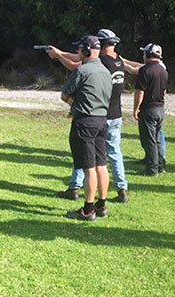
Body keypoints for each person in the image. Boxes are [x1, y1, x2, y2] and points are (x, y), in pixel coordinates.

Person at [47, 29, 130, 203]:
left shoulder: (93, 66)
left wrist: (59, 56)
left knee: (87, 163)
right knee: (107, 158)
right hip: (110, 116)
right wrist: (60, 53)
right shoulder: (117, 62)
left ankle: (83, 199)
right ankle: (115, 193)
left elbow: (74, 69)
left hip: (89, 117)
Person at [57, 35, 112, 220]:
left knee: (89, 168)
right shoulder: (106, 71)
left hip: (85, 122)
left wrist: (75, 104)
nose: (77, 52)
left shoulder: (82, 70)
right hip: (102, 121)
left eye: (79, 49)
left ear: (87, 50)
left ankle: (88, 210)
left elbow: (64, 95)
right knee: (101, 165)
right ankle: (102, 205)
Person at [133, 43, 168, 176]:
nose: (143, 55)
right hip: (160, 108)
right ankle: (161, 165)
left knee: (149, 140)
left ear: (148, 54)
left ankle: (152, 169)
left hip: (149, 109)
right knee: (157, 138)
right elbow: (164, 90)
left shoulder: (145, 70)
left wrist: (136, 109)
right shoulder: (163, 70)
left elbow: (139, 92)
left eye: (144, 53)